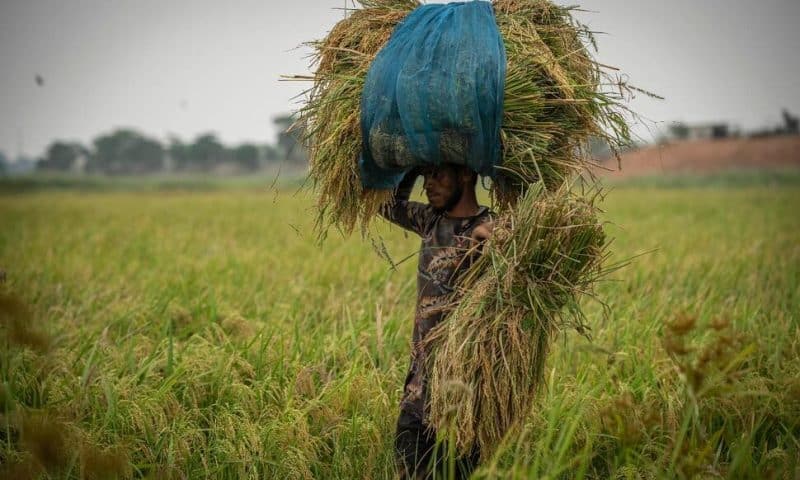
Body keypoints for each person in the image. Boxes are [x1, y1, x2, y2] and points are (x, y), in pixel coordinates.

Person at [380, 163, 494, 480]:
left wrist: (491, 245)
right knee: (408, 470)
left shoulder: (491, 226)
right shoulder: (430, 221)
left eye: (438, 175)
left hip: (466, 393)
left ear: (467, 174)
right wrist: (411, 164)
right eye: (427, 176)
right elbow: (385, 204)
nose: (429, 184)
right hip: (419, 388)